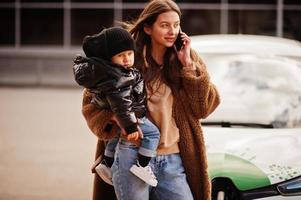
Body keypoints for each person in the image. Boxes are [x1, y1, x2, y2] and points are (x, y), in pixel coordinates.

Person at [78, 0, 220, 199]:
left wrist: (188, 65)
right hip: (131, 155)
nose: (172, 31)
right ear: (147, 28)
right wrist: (114, 117)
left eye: (176, 25)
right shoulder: (125, 57)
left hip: (173, 160)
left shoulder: (186, 59)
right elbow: (91, 102)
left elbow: (204, 108)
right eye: (164, 25)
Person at [73, 27, 160, 187]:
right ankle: (142, 165)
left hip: (123, 118)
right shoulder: (118, 78)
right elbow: (122, 105)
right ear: (110, 58)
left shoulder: (111, 74)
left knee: (115, 137)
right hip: (131, 117)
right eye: (121, 55)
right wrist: (130, 125)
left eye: (129, 54)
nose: (127, 59)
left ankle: (106, 162)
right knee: (153, 134)